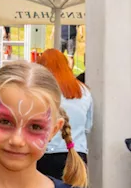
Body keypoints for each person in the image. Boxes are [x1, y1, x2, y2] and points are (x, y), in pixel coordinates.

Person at [36, 48, 93, 180]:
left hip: (45, 153)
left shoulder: (40, 90)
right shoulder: (84, 90)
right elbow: (88, 127)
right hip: (77, 153)